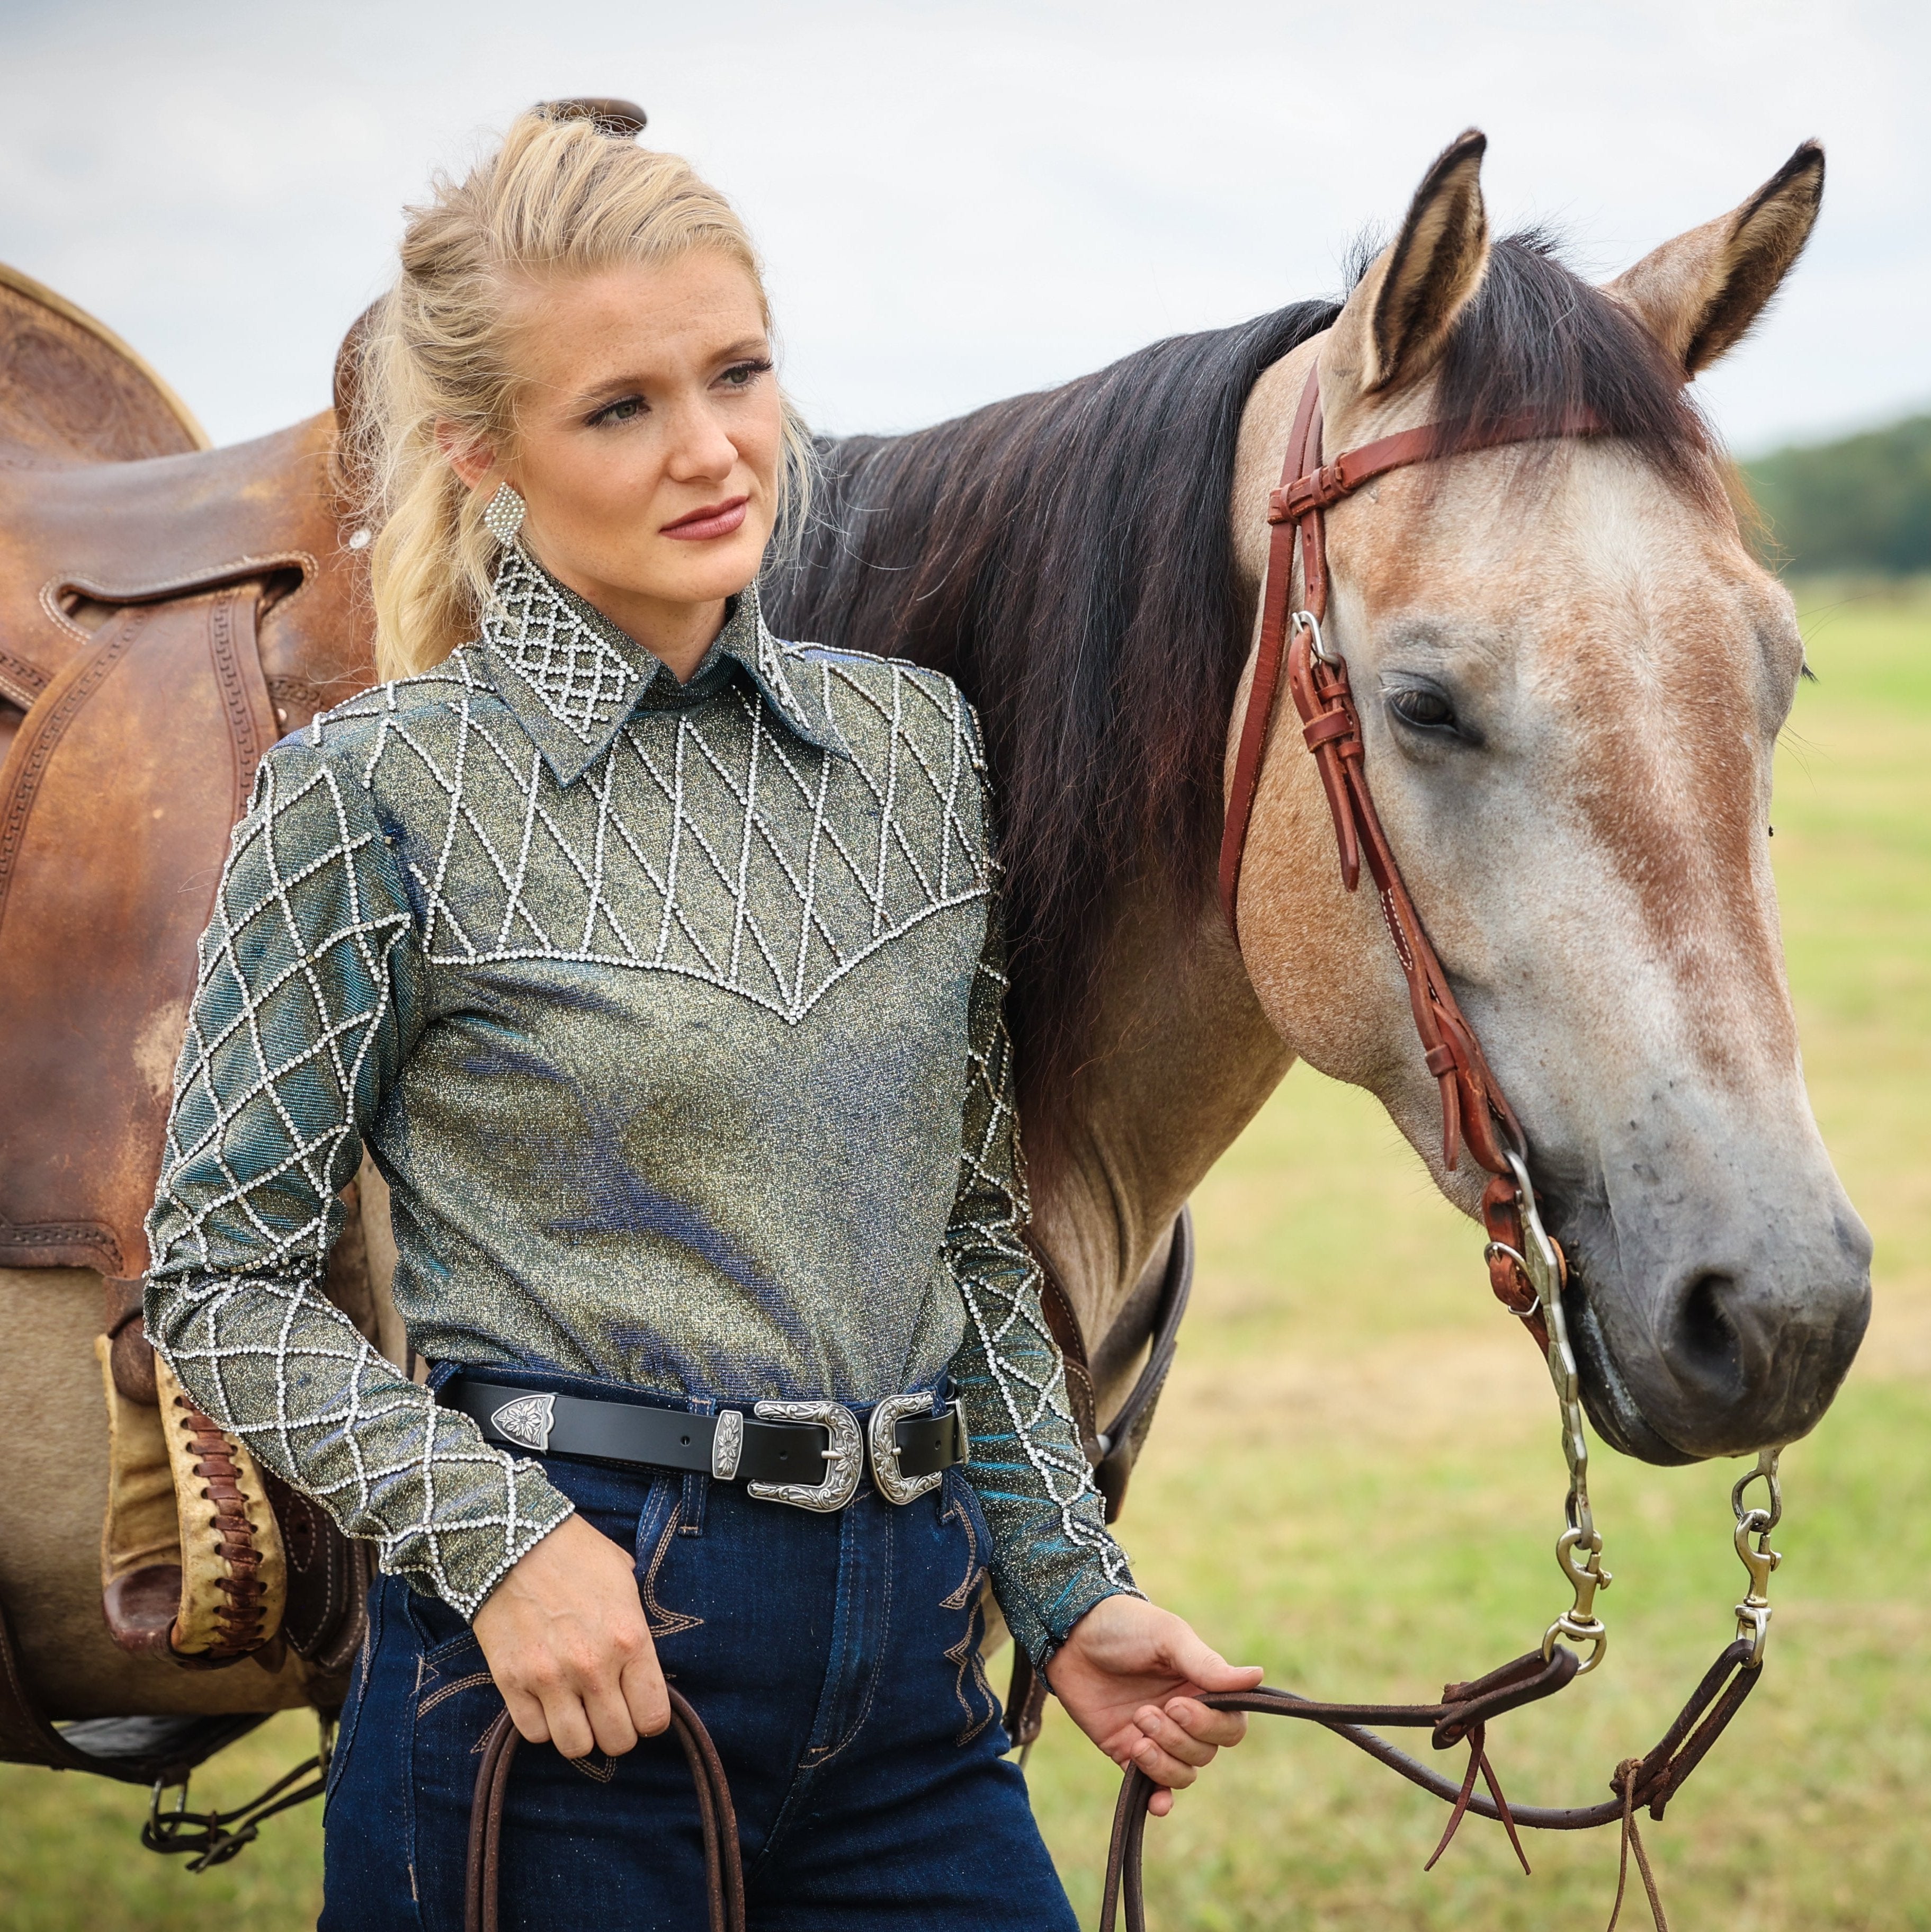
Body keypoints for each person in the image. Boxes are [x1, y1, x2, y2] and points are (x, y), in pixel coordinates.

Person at [144, 106, 1258, 1930]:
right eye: (621, 408)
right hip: (563, 1685)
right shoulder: (376, 791)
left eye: (737, 372)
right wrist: (497, 1544)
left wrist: (1067, 1585)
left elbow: (965, 1231)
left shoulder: (912, 748)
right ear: (485, 457)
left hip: (910, 1680)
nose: (713, 448)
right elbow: (217, 1277)